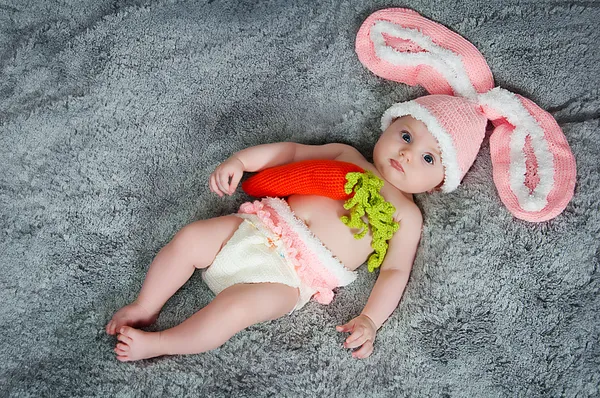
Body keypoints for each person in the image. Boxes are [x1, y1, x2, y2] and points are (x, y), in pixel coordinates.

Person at [105, 8, 576, 362]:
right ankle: (145, 305)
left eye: (428, 157)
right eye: (407, 135)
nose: (408, 153)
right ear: (389, 127)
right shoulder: (347, 156)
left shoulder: (406, 216)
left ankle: (160, 343)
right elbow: (290, 154)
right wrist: (242, 160)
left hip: (290, 279)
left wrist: (371, 318)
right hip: (257, 230)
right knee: (189, 238)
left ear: (439, 183)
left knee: (235, 310)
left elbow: (393, 273)